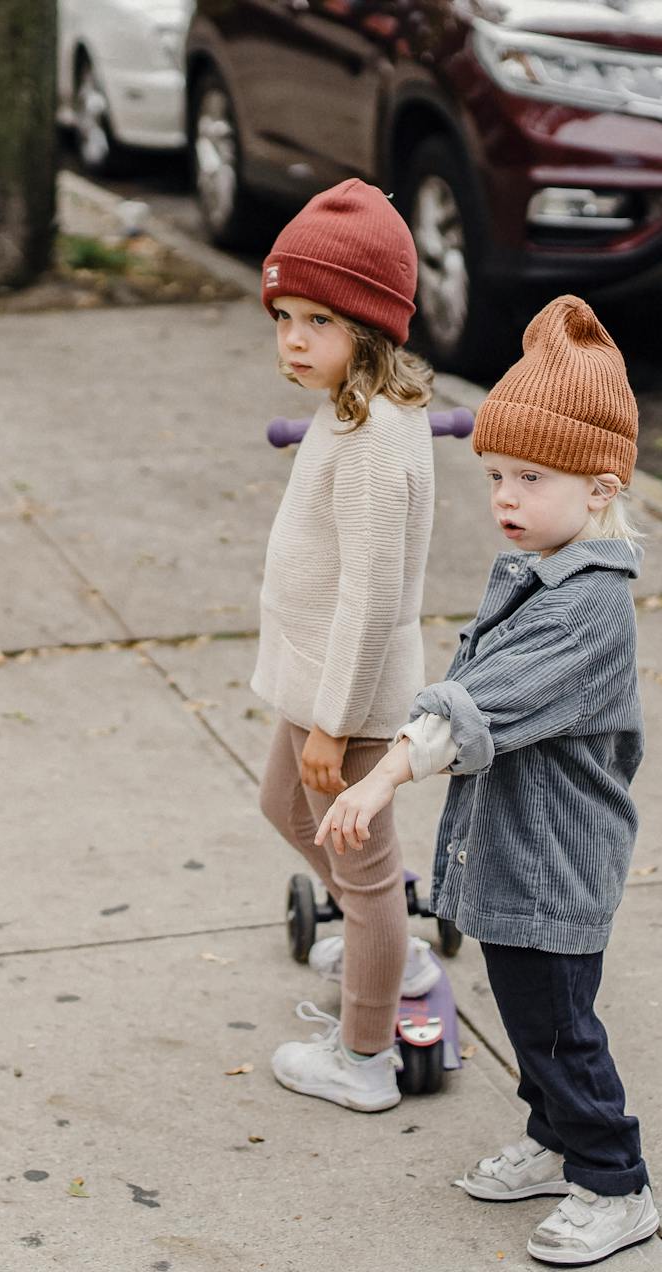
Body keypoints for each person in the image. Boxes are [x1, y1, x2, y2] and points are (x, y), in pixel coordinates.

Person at [315, 296, 660, 1264]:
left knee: (557, 1027)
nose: (505, 495)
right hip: (516, 851)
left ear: (600, 487)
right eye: (498, 474)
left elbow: (475, 707)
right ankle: (554, 1140)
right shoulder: (539, 566)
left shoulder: (588, 607)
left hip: (553, 862)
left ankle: (614, 1177)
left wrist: (378, 780)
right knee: (529, 1012)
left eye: (531, 476)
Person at [249, 179, 438, 1113]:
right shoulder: (351, 414)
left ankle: (365, 1056)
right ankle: (383, 936)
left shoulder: (372, 444)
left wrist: (331, 725)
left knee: (361, 873)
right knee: (286, 807)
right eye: (283, 315)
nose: (291, 338)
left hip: (348, 697)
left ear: (368, 328)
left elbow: (370, 598)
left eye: (317, 319)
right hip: (316, 679)